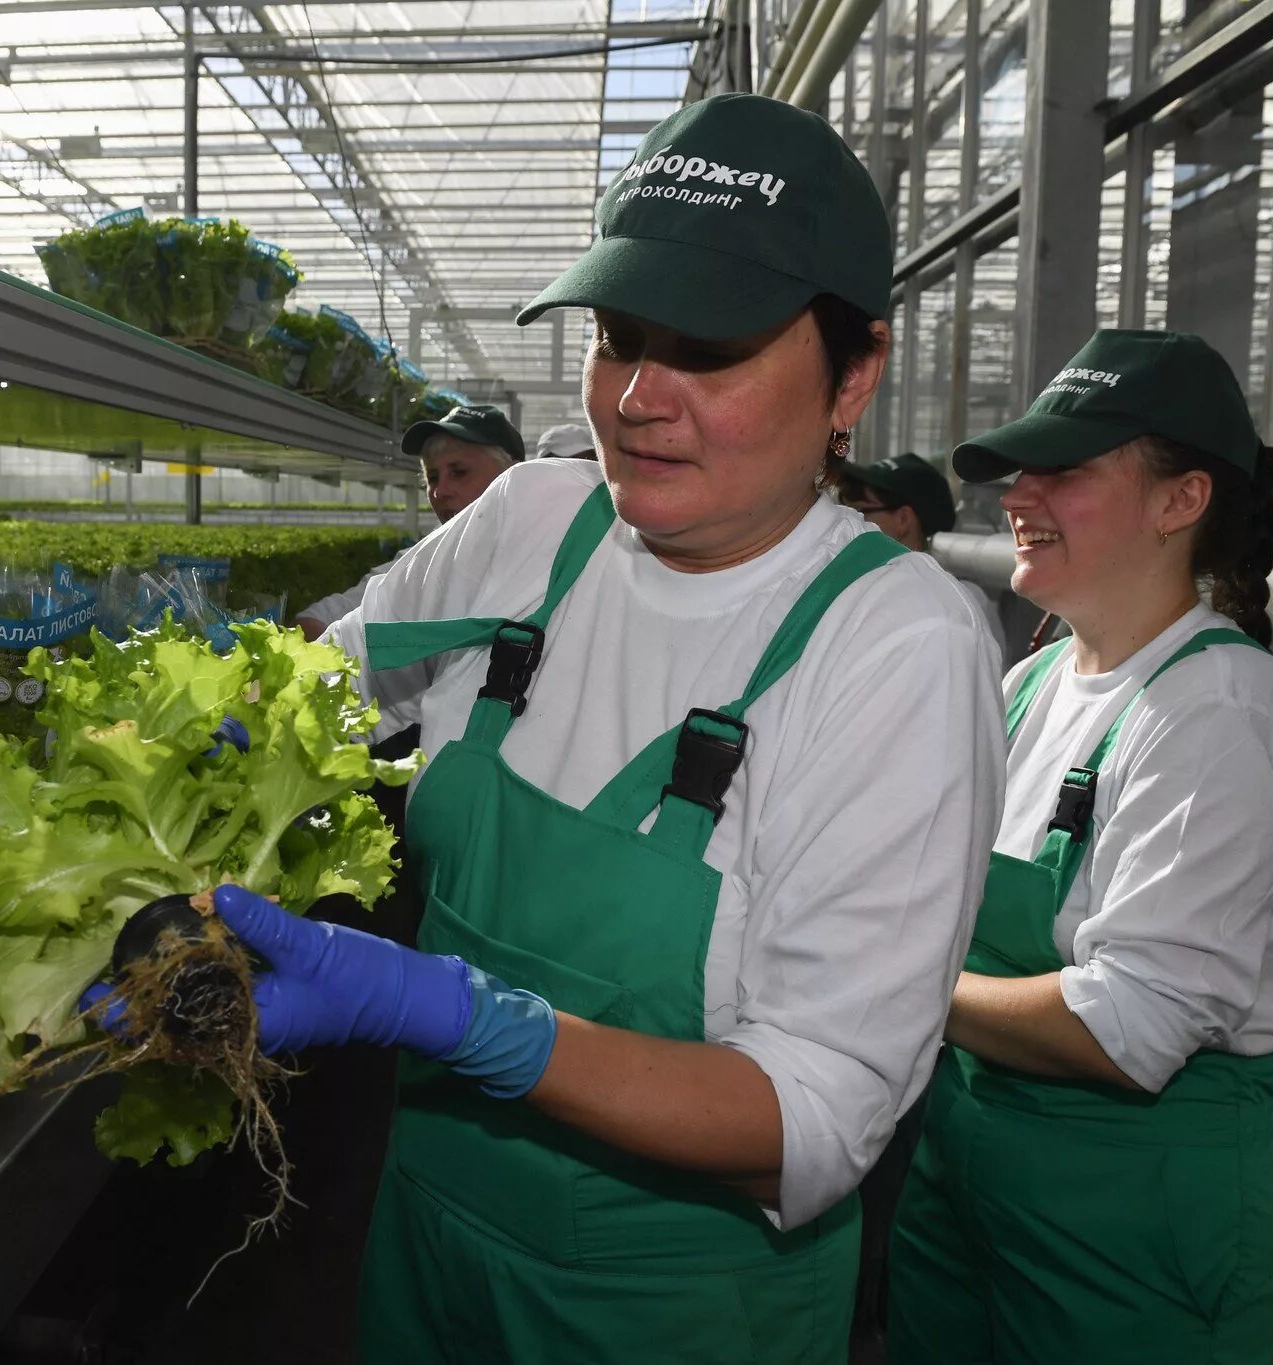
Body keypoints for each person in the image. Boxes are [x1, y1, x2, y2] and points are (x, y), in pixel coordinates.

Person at [190, 94, 1006, 1364]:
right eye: (617, 337)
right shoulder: (531, 525)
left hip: (672, 1304)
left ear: (854, 377)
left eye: (710, 353)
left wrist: (469, 1021)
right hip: (425, 1232)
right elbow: (322, 695)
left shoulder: (894, 641)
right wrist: (172, 774)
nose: (636, 397)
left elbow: (818, 1113)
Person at [887, 330, 1273, 1364]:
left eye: (1064, 472)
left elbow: (1128, 1027)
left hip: (1135, 1213)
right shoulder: (1030, 686)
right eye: (1019, 471)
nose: (1018, 495)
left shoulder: (1217, 715)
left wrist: (900, 981)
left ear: (1179, 501)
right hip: (970, 1163)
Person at [293, 405, 522, 641]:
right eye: (432, 478)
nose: (439, 492)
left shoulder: (544, 555)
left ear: (513, 474)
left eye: (460, 472)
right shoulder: (421, 560)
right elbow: (314, 621)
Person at [837, 451, 995, 625]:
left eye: (859, 512)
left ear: (903, 520)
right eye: (843, 510)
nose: (845, 520)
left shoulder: (952, 603)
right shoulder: (857, 585)